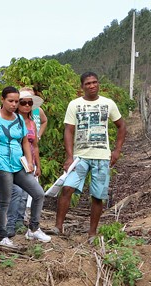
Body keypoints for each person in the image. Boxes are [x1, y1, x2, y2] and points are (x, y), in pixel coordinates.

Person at [0, 86, 50, 246]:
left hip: (17, 164)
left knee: (38, 193)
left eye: (16, 101)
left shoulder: (19, 119)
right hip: (1, 164)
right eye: (11, 101)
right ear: (3, 100)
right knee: (5, 200)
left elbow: (25, 142)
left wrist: (29, 162)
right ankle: (2, 236)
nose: (14, 104)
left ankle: (33, 229)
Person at [54, 72, 126, 239]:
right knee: (67, 188)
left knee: (97, 196)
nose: (92, 86)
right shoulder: (74, 105)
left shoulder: (108, 104)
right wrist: (69, 156)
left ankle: (92, 232)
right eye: (88, 83)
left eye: (94, 82)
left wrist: (117, 150)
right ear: (82, 87)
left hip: (102, 156)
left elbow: (122, 126)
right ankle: (58, 227)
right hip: (80, 156)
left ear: (98, 84)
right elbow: (69, 130)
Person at [5, 88, 45, 236]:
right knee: (16, 192)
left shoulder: (32, 123)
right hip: (14, 162)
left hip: (29, 161)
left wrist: (37, 165)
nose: (27, 106)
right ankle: (11, 223)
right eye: (23, 102)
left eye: (29, 103)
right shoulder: (9, 120)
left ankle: (20, 222)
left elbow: (34, 145)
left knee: (27, 194)